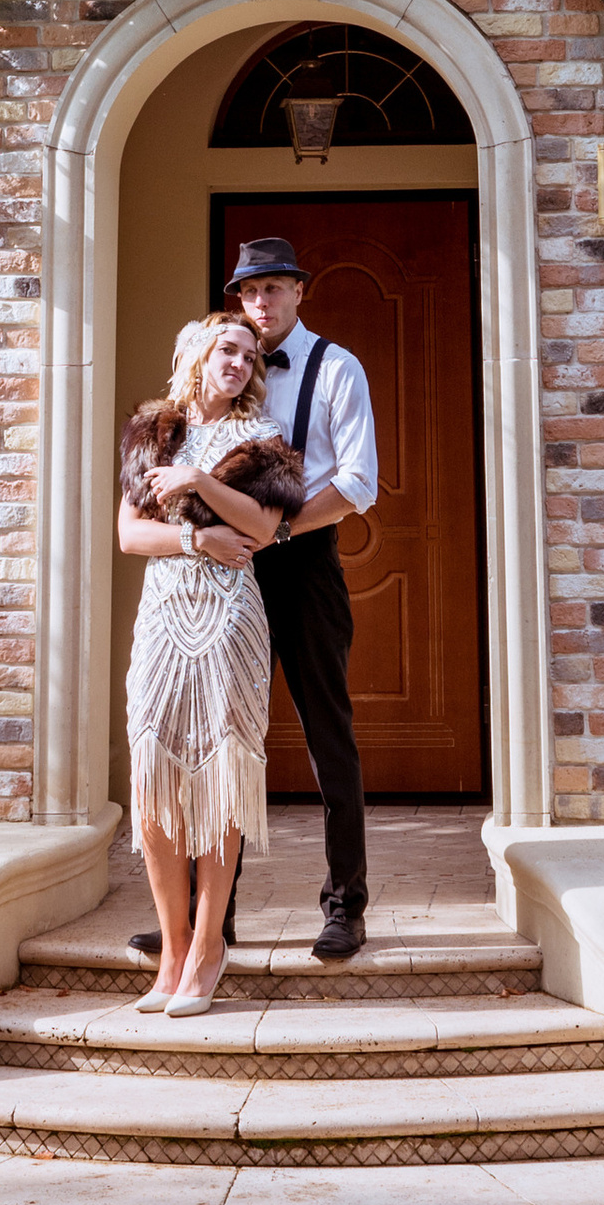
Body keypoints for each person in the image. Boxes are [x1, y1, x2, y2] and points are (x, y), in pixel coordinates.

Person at [132, 230, 381, 966]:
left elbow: (357, 484)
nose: (261, 301)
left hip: (300, 566)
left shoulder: (337, 368)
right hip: (218, 579)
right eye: (248, 290)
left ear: (300, 291)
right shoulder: (214, 390)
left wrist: (272, 534)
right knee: (217, 739)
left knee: (326, 733)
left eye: (274, 286)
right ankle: (214, 920)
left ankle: (346, 908)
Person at [116, 308, 304, 1015]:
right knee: (157, 775)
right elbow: (132, 535)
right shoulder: (151, 431)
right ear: (193, 352)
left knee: (221, 775)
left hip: (231, 621)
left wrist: (197, 480)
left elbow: (263, 528)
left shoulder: (265, 442)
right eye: (228, 348)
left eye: (250, 357)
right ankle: (171, 949)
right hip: (164, 618)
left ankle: (208, 948)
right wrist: (196, 541)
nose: (241, 363)